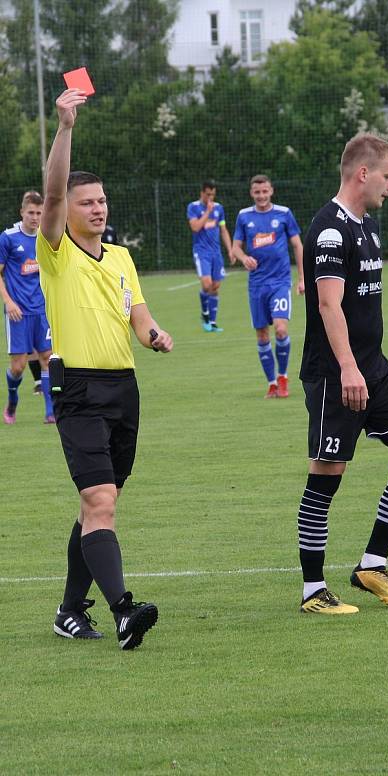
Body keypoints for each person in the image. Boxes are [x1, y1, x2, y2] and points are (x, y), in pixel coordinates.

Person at [39, 88, 173, 650]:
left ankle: (70, 609)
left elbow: (137, 315)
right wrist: (65, 128)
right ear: (68, 210)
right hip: (78, 387)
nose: (98, 208)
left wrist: (154, 334)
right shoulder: (56, 250)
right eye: (86, 201)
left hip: (124, 388)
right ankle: (123, 610)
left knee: (98, 504)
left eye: (102, 200)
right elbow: (49, 193)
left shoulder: (120, 258)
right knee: (102, 503)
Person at [295, 133, 388, 615]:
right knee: (326, 478)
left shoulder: (368, 227)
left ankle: (371, 565)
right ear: (362, 173)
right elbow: (328, 303)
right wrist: (348, 369)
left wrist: (364, 365)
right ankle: (313, 590)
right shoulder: (330, 230)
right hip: (337, 375)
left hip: (374, 368)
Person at [232, 174, 304, 398]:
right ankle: (271, 383)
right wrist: (244, 258)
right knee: (262, 335)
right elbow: (235, 247)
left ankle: (283, 378)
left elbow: (297, 245)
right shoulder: (244, 216)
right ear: (251, 193)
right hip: (257, 285)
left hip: (280, 282)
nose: (261, 196)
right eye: (257, 192)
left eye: (265, 191)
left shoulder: (283, 214)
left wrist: (302, 278)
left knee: (281, 329)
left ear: (271, 191)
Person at [0, 190, 55, 424]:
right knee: (19, 367)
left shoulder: (46, 236)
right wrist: (9, 302)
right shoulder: (8, 237)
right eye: (31, 212)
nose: (35, 217)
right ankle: (12, 400)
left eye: (39, 213)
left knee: (47, 357)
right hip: (18, 313)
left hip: (42, 310)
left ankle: (50, 412)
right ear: (22, 212)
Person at [187, 180, 232, 332]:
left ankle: (212, 323)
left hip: (216, 253)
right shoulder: (193, 207)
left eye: (213, 194)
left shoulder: (219, 208)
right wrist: (207, 212)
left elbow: (223, 230)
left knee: (215, 286)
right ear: (202, 193)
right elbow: (195, 227)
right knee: (206, 284)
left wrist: (230, 249)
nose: (210, 197)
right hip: (201, 252)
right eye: (208, 194)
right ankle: (205, 314)